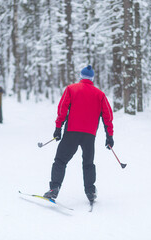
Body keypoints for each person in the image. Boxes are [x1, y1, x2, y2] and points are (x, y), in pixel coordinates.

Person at [43, 65, 114, 203]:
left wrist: (58, 128)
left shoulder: (71, 89)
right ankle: (90, 191)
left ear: (81, 77)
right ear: (92, 79)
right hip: (89, 135)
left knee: (60, 160)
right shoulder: (100, 95)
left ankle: (54, 188)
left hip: (72, 132)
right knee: (88, 163)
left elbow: (62, 109)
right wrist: (109, 136)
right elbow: (107, 116)